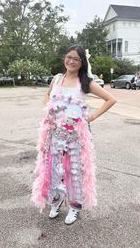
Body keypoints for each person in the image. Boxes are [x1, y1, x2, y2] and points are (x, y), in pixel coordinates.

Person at [32, 45, 116, 225]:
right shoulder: (57, 79)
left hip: (75, 136)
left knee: (74, 171)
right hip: (54, 133)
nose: (71, 61)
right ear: (65, 58)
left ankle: (75, 207)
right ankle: (55, 201)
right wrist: (50, 108)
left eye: (76, 59)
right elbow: (47, 95)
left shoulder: (85, 82)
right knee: (53, 169)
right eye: (69, 57)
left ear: (82, 62)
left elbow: (111, 99)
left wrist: (91, 116)